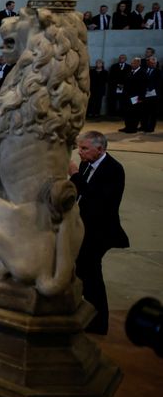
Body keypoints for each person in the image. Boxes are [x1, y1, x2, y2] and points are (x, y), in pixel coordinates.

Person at [69, 131, 129, 335]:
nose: (80, 152)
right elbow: (80, 194)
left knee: (91, 273)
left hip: (101, 231)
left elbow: (99, 201)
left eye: (84, 148)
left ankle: (100, 321)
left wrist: (76, 175)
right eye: (79, 147)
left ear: (100, 149)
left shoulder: (114, 170)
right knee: (83, 272)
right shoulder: (87, 164)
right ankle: (88, 312)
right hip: (85, 228)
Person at [120, 56, 143, 133]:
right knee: (127, 112)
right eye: (132, 62)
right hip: (127, 96)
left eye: (133, 63)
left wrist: (141, 97)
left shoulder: (142, 73)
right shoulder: (130, 71)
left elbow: (143, 86)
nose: (131, 64)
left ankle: (133, 128)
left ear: (138, 63)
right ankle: (127, 126)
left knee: (134, 113)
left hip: (136, 96)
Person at [141, 56, 159, 133]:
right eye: (151, 62)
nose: (153, 64)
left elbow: (159, 83)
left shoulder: (158, 71)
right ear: (148, 63)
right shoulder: (144, 70)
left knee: (152, 113)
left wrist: (150, 87)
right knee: (144, 111)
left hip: (153, 95)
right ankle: (143, 126)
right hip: (144, 94)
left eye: (154, 63)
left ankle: (151, 127)